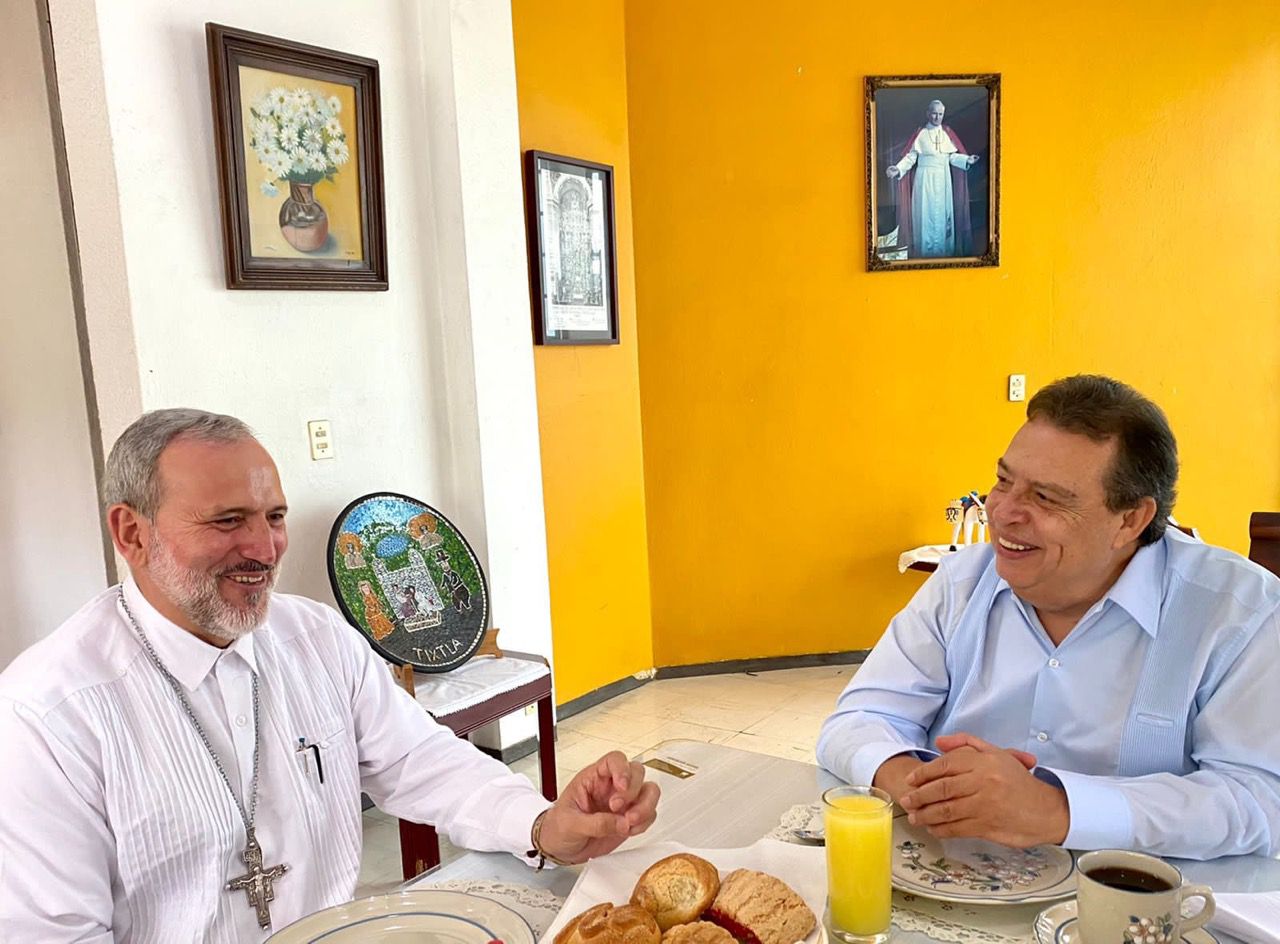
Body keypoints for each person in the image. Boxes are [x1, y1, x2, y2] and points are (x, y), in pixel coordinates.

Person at [0, 409, 660, 941]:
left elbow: (420, 760)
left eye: (274, 517)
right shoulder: (45, 716)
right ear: (131, 533)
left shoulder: (315, 637)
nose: (264, 549)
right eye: (227, 521)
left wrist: (543, 825)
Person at [818, 375, 1280, 860]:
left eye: (1046, 497)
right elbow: (860, 717)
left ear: (1130, 520)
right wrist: (928, 789)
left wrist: (1057, 809)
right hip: (948, 871)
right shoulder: (962, 581)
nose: (1003, 512)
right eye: (1003, 481)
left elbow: (1260, 797)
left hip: (1141, 890)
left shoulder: (1239, 612)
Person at [885, 99, 981, 259]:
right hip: (925, 181)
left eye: (940, 114)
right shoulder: (921, 134)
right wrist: (898, 168)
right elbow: (911, 157)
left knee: (943, 215)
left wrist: (967, 160)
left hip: (943, 179)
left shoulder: (947, 133)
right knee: (925, 216)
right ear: (928, 114)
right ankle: (924, 257)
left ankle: (943, 256)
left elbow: (951, 157)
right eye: (934, 113)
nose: (937, 117)